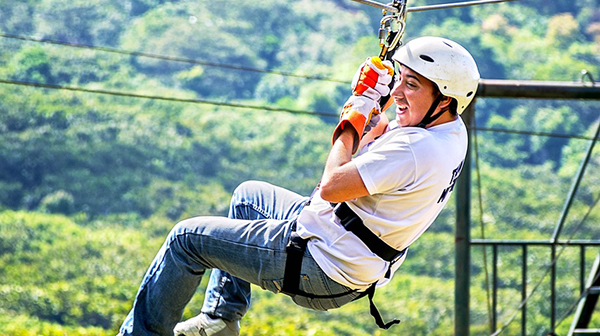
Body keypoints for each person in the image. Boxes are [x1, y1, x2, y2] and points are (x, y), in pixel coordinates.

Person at [117, 36, 480, 336]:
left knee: (186, 240)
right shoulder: (449, 130)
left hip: (322, 264)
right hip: (349, 246)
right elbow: (386, 140)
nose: (399, 91)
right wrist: (377, 105)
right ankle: (220, 319)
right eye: (399, 78)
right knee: (249, 196)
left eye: (410, 85)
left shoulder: (416, 149)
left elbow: (332, 186)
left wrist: (353, 118)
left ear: (444, 99)